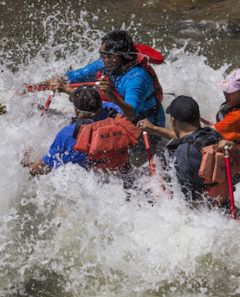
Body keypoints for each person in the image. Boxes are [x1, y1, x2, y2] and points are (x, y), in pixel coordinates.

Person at [31, 30, 165, 166]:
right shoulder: (105, 64)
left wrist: (109, 95)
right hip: (113, 113)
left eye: (102, 54)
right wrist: (36, 86)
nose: (100, 58)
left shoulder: (136, 78)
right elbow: (70, 77)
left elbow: (130, 114)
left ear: (114, 57)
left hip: (143, 125)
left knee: (133, 165)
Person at [23, 85, 140, 176]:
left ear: (75, 110)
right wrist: (64, 88)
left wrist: (23, 169)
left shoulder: (68, 134)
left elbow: (47, 166)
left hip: (92, 186)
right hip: (122, 175)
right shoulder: (115, 111)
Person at [139, 95, 229, 207]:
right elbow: (186, 137)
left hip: (201, 210)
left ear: (172, 122)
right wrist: (154, 129)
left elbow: (186, 198)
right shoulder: (213, 135)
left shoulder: (182, 153)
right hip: (223, 202)